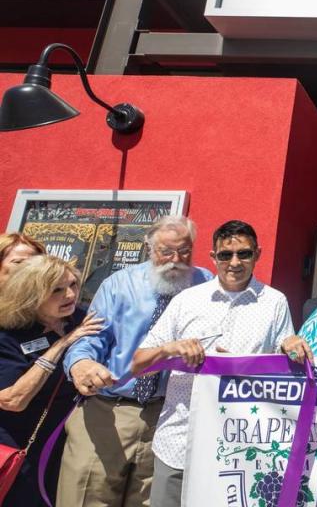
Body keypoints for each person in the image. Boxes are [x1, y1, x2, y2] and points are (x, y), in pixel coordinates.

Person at [131, 219, 307, 507]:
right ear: (213, 257)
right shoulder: (187, 300)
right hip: (180, 441)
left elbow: (284, 371)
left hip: (241, 446)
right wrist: (170, 348)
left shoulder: (274, 302)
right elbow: (138, 363)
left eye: (244, 254)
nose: (234, 262)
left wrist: (292, 347)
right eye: (226, 255)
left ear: (257, 254)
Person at [58, 216, 213, 507]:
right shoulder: (119, 284)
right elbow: (91, 337)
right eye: (166, 251)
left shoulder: (206, 284)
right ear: (149, 247)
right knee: (87, 496)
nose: (176, 260)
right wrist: (81, 365)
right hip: (110, 411)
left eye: (185, 251)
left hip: (170, 415)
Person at [0, 256, 103, 505]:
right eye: (57, 289)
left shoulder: (81, 318)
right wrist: (62, 344)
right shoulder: (10, 333)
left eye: (73, 285)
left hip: (71, 439)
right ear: (32, 294)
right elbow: (12, 400)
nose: (69, 294)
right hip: (23, 441)